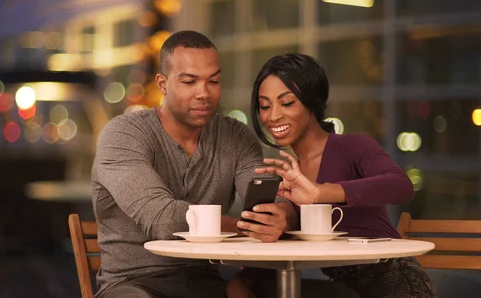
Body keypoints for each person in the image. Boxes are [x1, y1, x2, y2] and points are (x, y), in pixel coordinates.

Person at [91, 30, 297, 298]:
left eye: (213, 81)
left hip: (208, 281)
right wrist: (247, 228)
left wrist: (284, 216)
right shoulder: (123, 134)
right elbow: (164, 220)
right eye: (190, 82)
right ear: (162, 84)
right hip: (135, 283)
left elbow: (269, 201)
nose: (204, 93)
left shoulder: (235, 136)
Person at [227, 53, 438, 298]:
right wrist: (240, 282)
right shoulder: (285, 175)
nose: (273, 116)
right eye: (264, 106)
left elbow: (401, 186)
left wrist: (320, 193)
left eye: (287, 103)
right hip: (338, 289)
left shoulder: (351, 146)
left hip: (392, 283)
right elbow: (284, 251)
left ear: (311, 103)